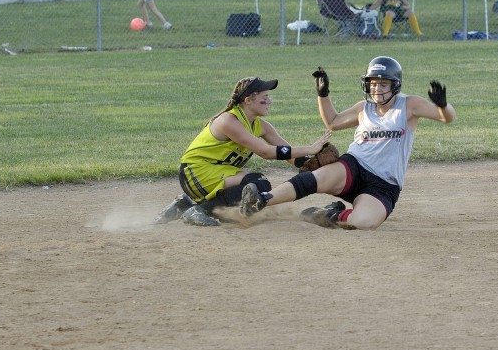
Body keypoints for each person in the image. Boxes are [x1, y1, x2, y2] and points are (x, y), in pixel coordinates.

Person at [239, 56, 456, 230]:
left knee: (363, 223)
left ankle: (329, 214)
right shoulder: (364, 108)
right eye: (373, 83)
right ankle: (261, 200)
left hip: (383, 184)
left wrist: (443, 106)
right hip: (355, 166)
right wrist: (323, 94)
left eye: (383, 83)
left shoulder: (408, 105)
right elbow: (333, 122)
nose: (377, 88)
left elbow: (448, 118)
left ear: (395, 85)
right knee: (317, 177)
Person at [155, 76, 333, 226]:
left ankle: (186, 203)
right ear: (248, 100)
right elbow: (266, 152)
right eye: (264, 98)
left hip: (215, 171)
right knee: (258, 184)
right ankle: (199, 210)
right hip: (195, 171)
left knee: (256, 185)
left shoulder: (261, 126)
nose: (269, 101)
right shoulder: (228, 121)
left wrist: (313, 163)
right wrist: (310, 147)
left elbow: (289, 155)